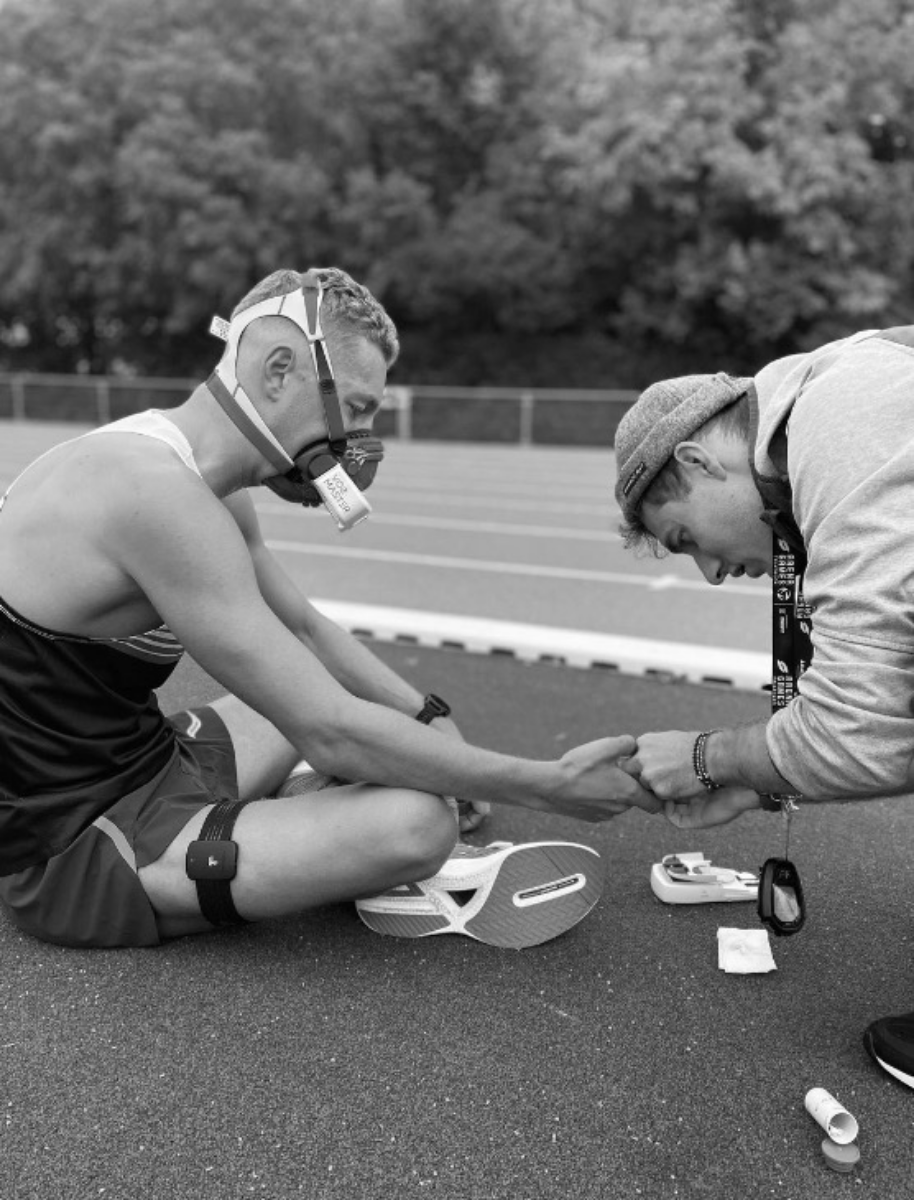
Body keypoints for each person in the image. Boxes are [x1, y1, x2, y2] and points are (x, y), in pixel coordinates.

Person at [0, 266, 659, 953]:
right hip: (78, 847)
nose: (364, 436)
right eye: (359, 406)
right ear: (279, 371)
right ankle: (333, 841)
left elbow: (308, 632)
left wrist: (429, 720)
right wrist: (551, 787)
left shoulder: (191, 473)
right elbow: (328, 731)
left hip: (149, 761)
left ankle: (299, 822)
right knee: (418, 825)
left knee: (345, 709)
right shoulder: (155, 495)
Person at [610, 326, 914, 1088]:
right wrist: (759, 781)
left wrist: (710, 756)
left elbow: (860, 732)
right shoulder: (836, 392)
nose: (713, 574)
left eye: (687, 539)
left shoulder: (840, 420)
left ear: (696, 459)